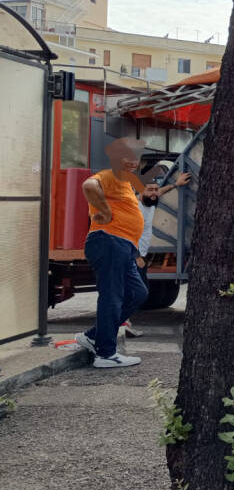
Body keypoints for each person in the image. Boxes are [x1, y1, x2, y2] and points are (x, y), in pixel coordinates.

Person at [74, 138, 149, 368]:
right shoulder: (111, 175)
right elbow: (88, 185)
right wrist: (105, 212)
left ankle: (95, 336)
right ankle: (105, 354)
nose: (133, 162)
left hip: (122, 246)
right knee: (113, 296)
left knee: (137, 293)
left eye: (136, 158)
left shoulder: (125, 182)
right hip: (109, 241)